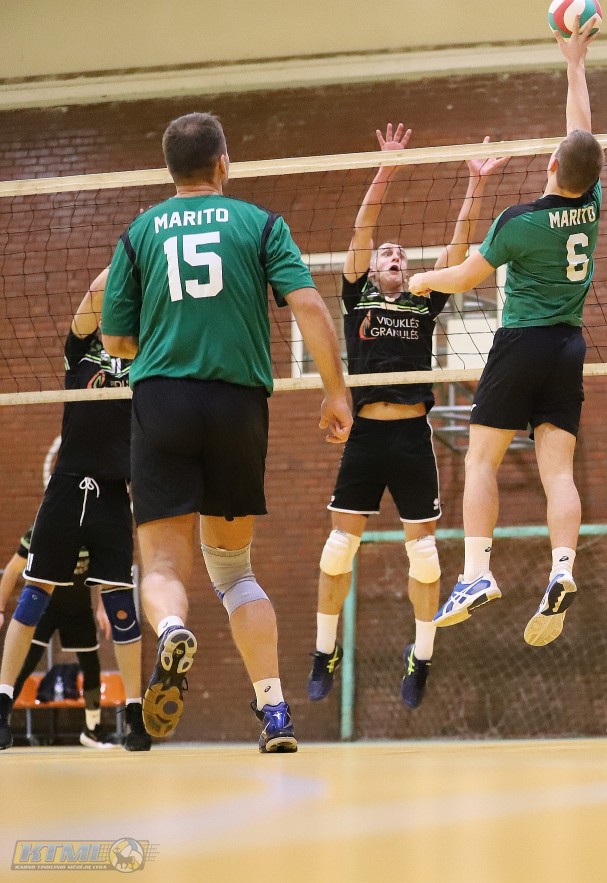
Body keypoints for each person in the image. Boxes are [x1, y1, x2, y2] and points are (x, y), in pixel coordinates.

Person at [101, 112, 352, 753]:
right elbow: (309, 305)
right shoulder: (260, 224)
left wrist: (166, 339)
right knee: (235, 571)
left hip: (162, 399)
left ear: (169, 170)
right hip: (238, 405)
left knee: (162, 564)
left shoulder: (139, 233)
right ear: (222, 163)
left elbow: (115, 340)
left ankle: (173, 629)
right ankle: (275, 712)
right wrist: (335, 391)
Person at [407, 16, 603, 647]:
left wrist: (421, 281)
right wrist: (575, 63)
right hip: (568, 346)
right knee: (559, 473)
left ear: (551, 163)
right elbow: (581, 133)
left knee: (481, 460)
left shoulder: (519, 222)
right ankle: (563, 568)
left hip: (521, 343)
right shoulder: (591, 205)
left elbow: (466, 277)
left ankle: (476, 573)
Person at [308, 124, 507, 709]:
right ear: (372, 270)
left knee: (423, 555)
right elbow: (362, 228)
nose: (394, 255)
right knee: (337, 550)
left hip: (413, 437)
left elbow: (461, 245)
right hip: (367, 435)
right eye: (385, 255)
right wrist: (386, 170)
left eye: (400, 253)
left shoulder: (424, 295)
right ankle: (324, 651)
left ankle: (421, 657)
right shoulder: (357, 296)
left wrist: (475, 184)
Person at [0, 270, 150, 752]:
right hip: (66, 486)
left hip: (114, 491)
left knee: (121, 603)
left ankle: (134, 715)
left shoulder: (147, 356)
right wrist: (129, 259)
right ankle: (1, 705)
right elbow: (91, 295)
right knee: (33, 595)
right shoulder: (81, 350)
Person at [0, 531, 116, 748]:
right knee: (24, 664)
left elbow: (101, 573)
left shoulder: (91, 530)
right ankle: (2, 719)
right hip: (46, 607)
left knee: (92, 667)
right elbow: (13, 568)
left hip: (79, 610)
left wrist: (102, 607)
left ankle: (92, 729)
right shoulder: (42, 529)